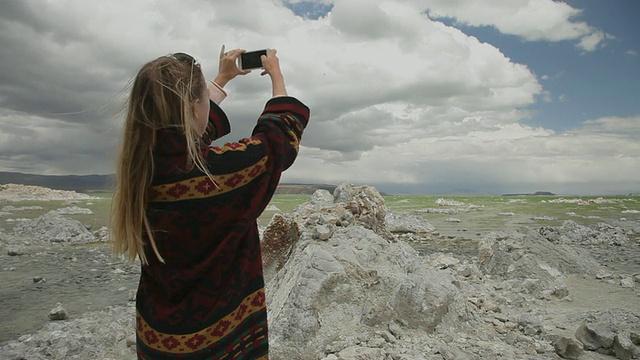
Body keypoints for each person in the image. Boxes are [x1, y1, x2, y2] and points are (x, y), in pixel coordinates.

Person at [111, 45, 310, 359]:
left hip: (158, 338)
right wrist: (277, 76)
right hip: (219, 341)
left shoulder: (141, 169)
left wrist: (221, 79)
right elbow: (278, 140)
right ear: (192, 108)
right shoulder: (219, 175)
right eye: (202, 96)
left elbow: (187, 138)